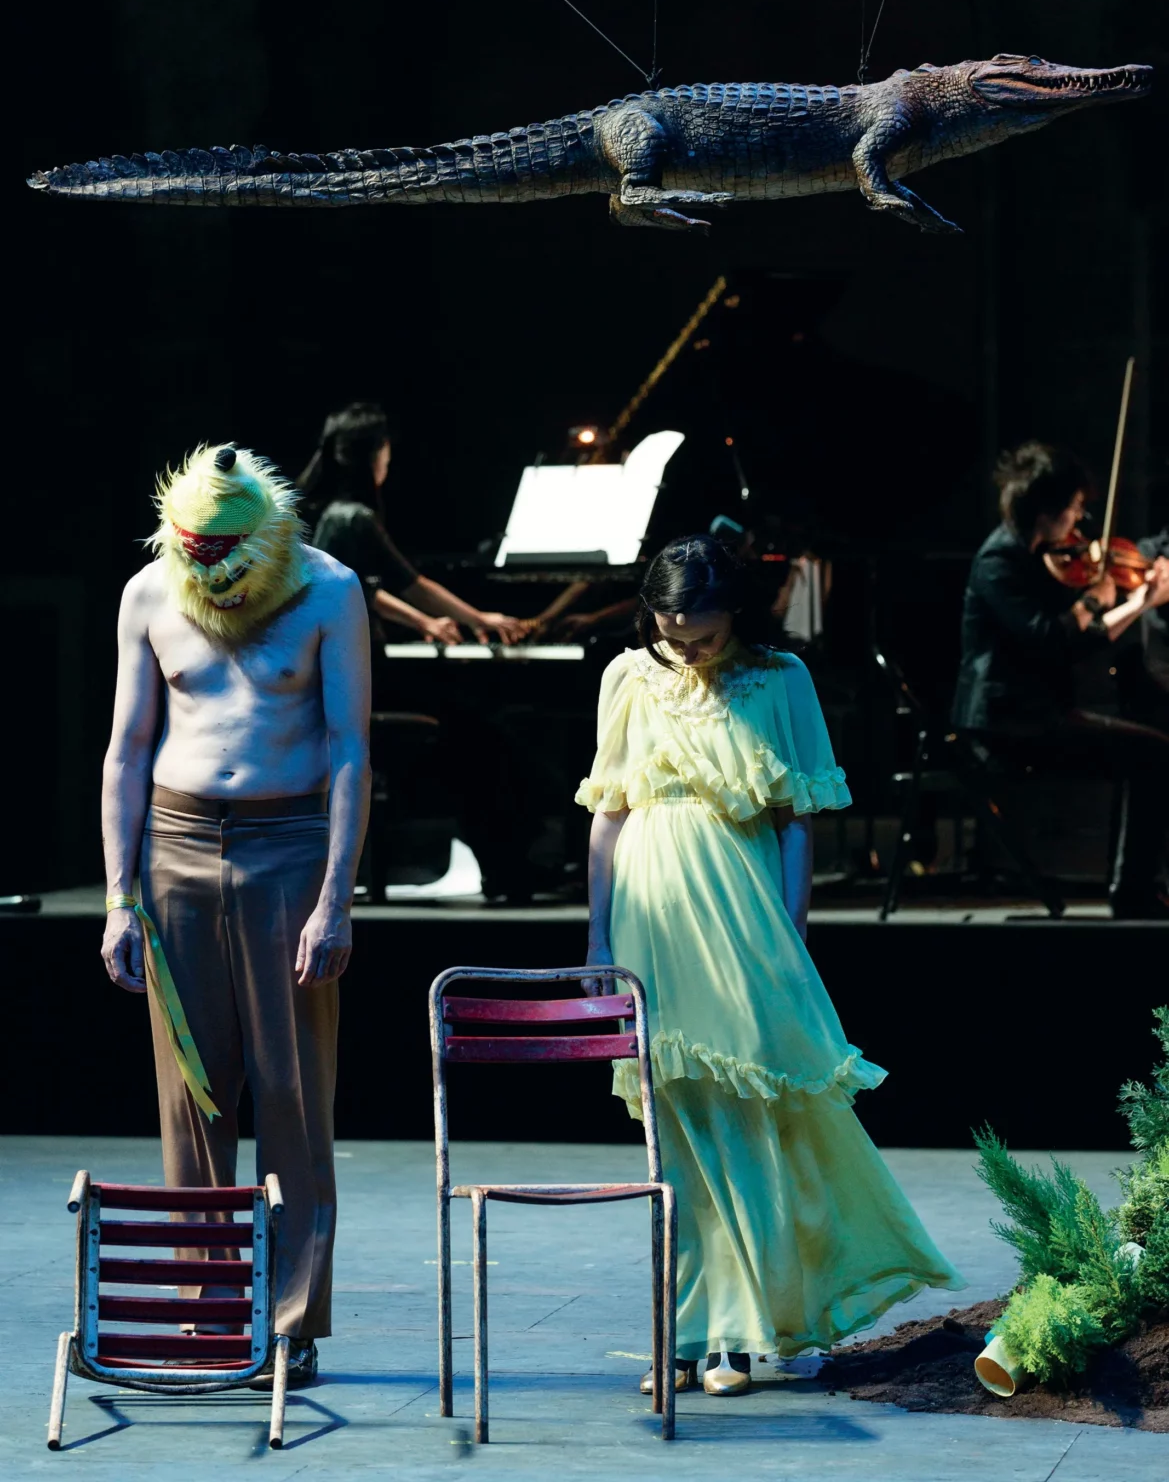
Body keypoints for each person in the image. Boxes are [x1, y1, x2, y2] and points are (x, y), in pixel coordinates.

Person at [577, 534, 963, 1397]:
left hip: (741, 919)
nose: (684, 644)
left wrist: (789, 931)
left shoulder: (781, 680)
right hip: (649, 917)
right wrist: (598, 937)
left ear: (737, 616)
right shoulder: (627, 678)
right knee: (673, 1129)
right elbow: (607, 812)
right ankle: (684, 1330)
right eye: (670, 629)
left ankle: (741, 1334)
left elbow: (795, 817)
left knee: (749, 1117)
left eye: (702, 632)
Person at [100, 442, 371, 1386]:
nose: (207, 566)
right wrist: (117, 899)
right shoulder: (147, 594)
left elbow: (348, 749)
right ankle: (212, 1316)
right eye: (193, 548)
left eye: (225, 550)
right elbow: (127, 750)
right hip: (174, 848)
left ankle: (290, 1322)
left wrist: (335, 900)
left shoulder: (330, 592)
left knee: (291, 1089)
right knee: (193, 1094)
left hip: (287, 843)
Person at [952, 443, 1169, 918]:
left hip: (1037, 713)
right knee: (1154, 754)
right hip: (1006, 724)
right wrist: (1102, 601)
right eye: (1073, 507)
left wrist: (1135, 603)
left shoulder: (1035, 556)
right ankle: (1133, 892)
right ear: (1045, 509)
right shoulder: (999, 563)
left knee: (1147, 751)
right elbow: (1050, 637)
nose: (1080, 518)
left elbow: (1083, 640)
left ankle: (1133, 888)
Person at [298, 402, 522, 654]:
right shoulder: (354, 518)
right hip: (350, 654)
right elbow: (415, 587)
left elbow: (363, 590)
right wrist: (478, 618)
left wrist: (422, 621)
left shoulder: (315, 511)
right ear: (377, 451)